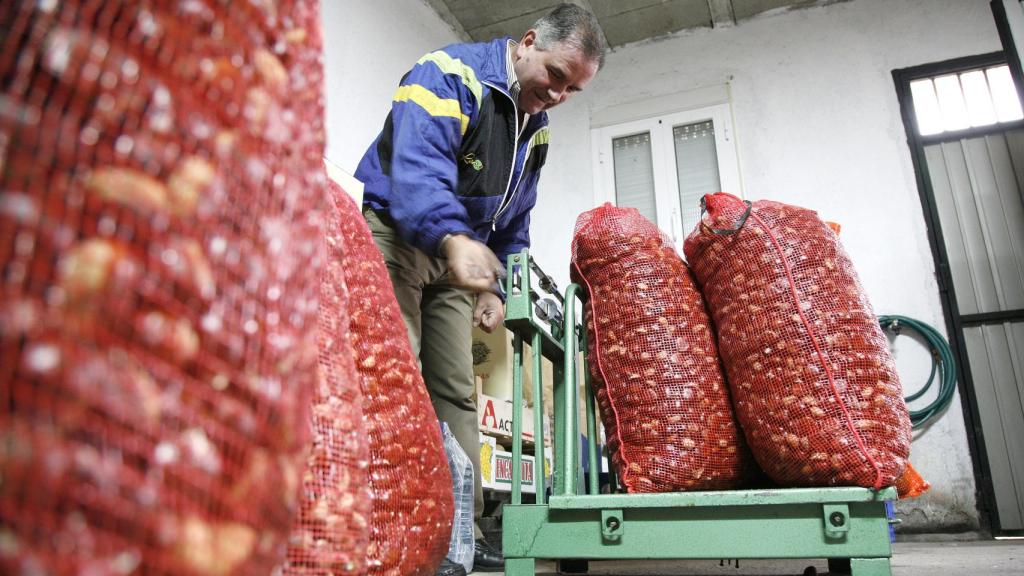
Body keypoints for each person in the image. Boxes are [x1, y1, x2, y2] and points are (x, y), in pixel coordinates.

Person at [354, 4, 605, 574]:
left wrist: (499, 286)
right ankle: (383, 529)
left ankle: (458, 534)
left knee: (454, 392)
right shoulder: (446, 75)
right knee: (392, 375)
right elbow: (415, 173)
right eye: (556, 76)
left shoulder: (534, 127)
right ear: (528, 42)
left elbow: (515, 221)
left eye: (574, 89)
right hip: (400, 234)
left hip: (457, 258)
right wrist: (453, 240)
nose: (559, 95)